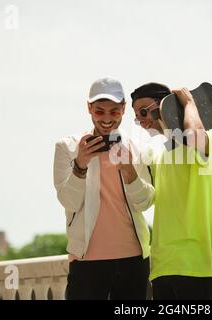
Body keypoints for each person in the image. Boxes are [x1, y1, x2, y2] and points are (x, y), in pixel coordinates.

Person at [53, 77, 154, 300]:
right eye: (99, 111)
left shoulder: (136, 147)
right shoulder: (67, 147)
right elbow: (69, 202)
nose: (107, 118)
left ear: (123, 110)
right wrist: (80, 164)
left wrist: (129, 172)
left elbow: (145, 202)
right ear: (89, 108)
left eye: (114, 111)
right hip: (86, 261)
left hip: (134, 260)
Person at [131, 83, 212, 300]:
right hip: (162, 266)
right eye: (137, 116)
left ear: (164, 105)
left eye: (144, 111)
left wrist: (189, 103)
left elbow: (193, 135)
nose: (141, 120)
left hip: (197, 264)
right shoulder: (160, 155)